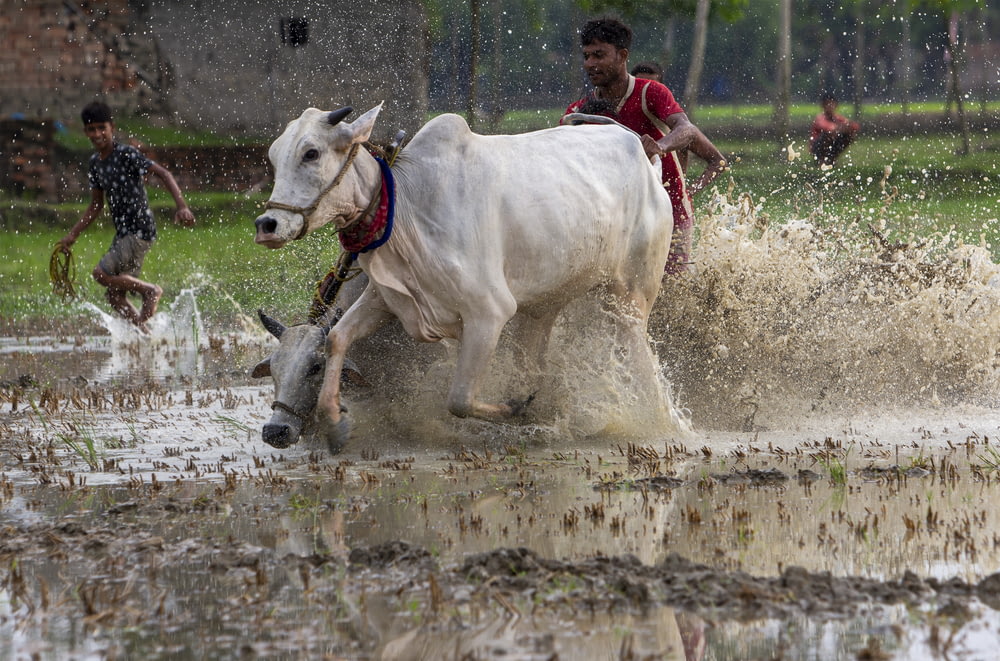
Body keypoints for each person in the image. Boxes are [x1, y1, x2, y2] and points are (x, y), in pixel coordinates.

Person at [567, 17, 726, 275]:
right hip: (613, 222)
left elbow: (686, 130)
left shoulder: (651, 93)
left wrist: (660, 147)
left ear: (622, 55)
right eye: (586, 56)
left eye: (599, 55)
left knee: (671, 291)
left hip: (670, 213)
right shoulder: (577, 112)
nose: (590, 64)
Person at [58, 101, 195, 332]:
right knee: (114, 297)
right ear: (85, 132)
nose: (98, 134)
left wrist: (181, 206)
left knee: (101, 274)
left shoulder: (126, 154)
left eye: (102, 128)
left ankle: (150, 291)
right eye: (92, 129)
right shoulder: (95, 164)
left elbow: (163, 173)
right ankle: (147, 336)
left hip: (139, 229)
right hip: (124, 233)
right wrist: (73, 234)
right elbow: (95, 205)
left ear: (112, 127)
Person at [810, 93, 859, 166]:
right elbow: (825, 127)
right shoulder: (820, 118)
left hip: (833, 143)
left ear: (836, 105)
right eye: (828, 104)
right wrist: (840, 128)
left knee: (849, 135)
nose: (830, 106)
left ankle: (832, 158)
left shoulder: (838, 118)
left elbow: (854, 126)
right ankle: (822, 159)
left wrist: (843, 128)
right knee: (828, 134)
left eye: (832, 104)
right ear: (823, 106)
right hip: (818, 146)